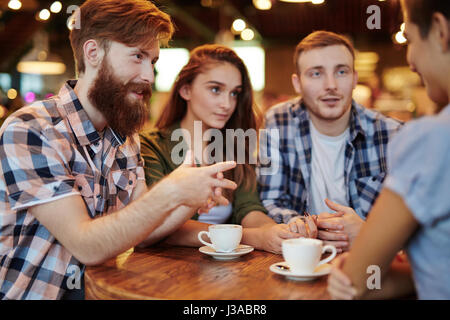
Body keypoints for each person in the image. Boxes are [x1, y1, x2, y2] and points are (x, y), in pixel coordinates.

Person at [0, 0, 238, 300]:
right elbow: (86, 244)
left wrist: (192, 195)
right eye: (137, 56)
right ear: (93, 52)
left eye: (152, 61)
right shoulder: (31, 129)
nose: (149, 76)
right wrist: (172, 192)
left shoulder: (126, 137)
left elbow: (146, 230)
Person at [327, 0, 450, 300]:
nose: (410, 60)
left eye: (408, 39)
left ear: (439, 30)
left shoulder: (432, 139)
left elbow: (355, 282)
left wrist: (359, 271)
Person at [139, 44, 311, 254]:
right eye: (215, 89)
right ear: (186, 90)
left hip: (226, 268)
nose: (227, 104)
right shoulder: (150, 145)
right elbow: (161, 225)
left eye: (234, 93)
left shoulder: (233, 145)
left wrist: (275, 231)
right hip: (164, 270)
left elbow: (248, 208)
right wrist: (255, 237)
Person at [258, 31, 402, 252]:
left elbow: (410, 222)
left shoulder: (392, 134)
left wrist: (367, 232)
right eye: (316, 73)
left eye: (341, 71)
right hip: (301, 257)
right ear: (297, 83)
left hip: (370, 259)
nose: (331, 85)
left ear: (354, 78)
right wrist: (305, 227)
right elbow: (271, 199)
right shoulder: (277, 120)